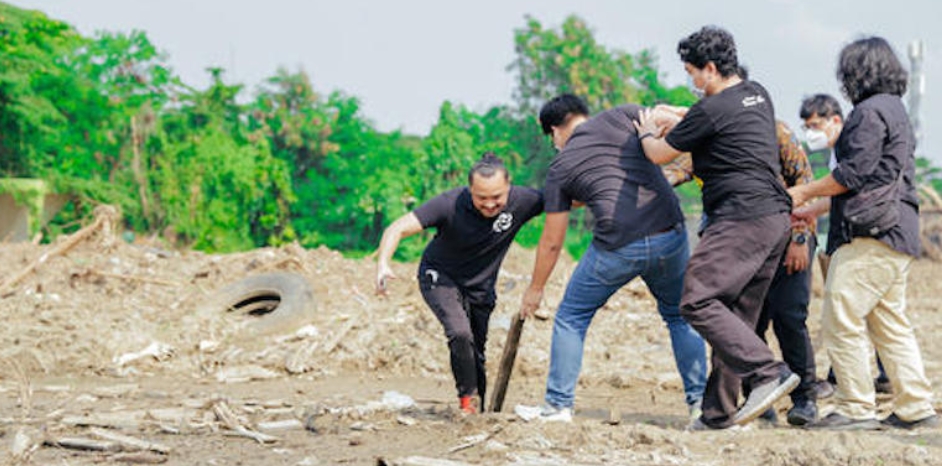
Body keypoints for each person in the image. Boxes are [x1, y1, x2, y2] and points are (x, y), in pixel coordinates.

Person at [634, 25, 798, 430]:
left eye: (692, 73)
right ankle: (717, 415)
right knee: (736, 318)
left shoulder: (710, 110)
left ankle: (768, 372)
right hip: (775, 219)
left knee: (696, 299)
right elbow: (710, 118)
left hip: (740, 216)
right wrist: (679, 115)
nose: (691, 82)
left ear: (709, 68)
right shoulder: (758, 94)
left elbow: (658, 154)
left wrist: (646, 131)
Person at [518, 94, 707, 422]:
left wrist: (536, 289)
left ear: (554, 131)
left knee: (571, 317)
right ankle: (701, 405)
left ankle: (558, 406)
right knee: (679, 316)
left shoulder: (560, 166)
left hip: (618, 244)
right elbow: (676, 114)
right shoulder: (624, 115)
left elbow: (552, 241)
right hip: (669, 233)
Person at [790, 37, 937, 430]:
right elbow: (870, 178)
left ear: (858, 73)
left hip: (871, 233)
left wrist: (802, 191)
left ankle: (855, 406)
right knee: (889, 322)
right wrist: (813, 207)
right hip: (898, 230)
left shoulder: (868, 113)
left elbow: (851, 175)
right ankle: (915, 407)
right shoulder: (896, 111)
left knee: (840, 316)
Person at [662, 118, 820, 426]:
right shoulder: (707, 133)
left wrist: (800, 238)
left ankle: (805, 399)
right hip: (736, 236)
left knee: (789, 316)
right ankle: (755, 402)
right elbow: (677, 171)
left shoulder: (774, 130)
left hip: (787, 232)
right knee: (738, 321)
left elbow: (804, 181)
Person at [375, 152, 543, 414]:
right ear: (470, 190)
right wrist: (383, 264)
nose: (489, 204)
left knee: (476, 350)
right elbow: (397, 228)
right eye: (481, 198)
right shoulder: (449, 203)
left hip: (481, 285)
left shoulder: (524, 200)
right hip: (440, 276)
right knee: (459, 332)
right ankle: (468, 401)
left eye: (497, 197)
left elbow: (567, 199)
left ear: (509, 187)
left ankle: (480, 411)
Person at [799, 93, 892, 397]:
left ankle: (849, 385)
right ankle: (881, 375)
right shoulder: (837, 150)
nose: (811, 132)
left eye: (815, 125)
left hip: (862, 238)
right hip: (844, 237)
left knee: (847, 311)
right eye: (807, 126)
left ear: (834, 119)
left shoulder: (853, 145)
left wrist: (805, 197)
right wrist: (812, 209)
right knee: (867, 310)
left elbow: (845, 186)